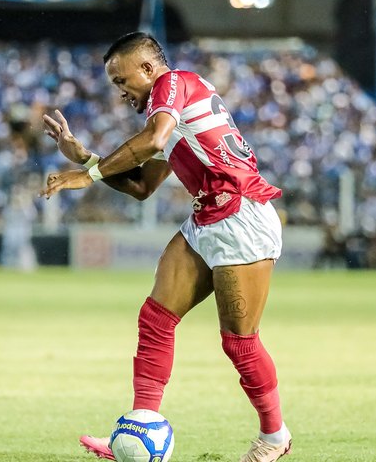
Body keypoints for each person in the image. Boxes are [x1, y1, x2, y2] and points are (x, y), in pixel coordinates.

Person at [41, 32, 291, 462]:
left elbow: (153, 141)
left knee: (239, 343)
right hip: (207, 217)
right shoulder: (171, 118)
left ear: (147, 69)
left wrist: (91, 176)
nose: (121, 91)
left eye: (122, 80)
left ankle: (274, 436)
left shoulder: (172, 83)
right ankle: (138, 430)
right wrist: (83, 157)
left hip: (242, 217)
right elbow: (141, 186)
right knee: (156, 318)